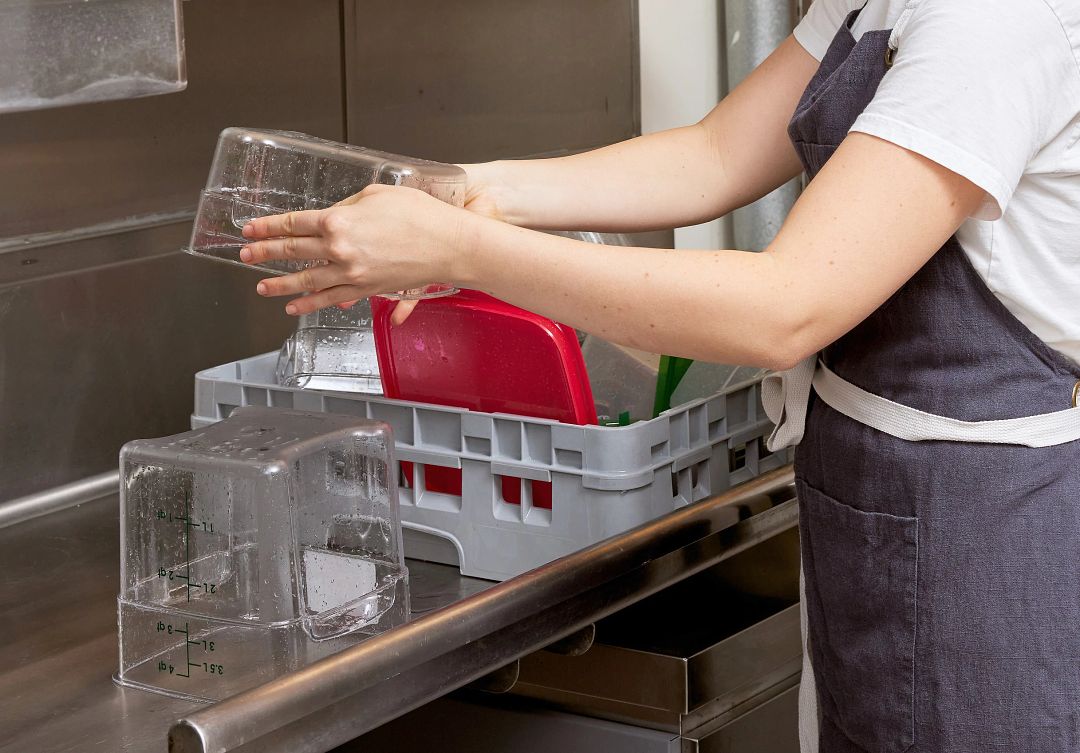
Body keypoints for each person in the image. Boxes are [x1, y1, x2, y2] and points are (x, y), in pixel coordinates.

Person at [239, 0, 1080, 750]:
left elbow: (786, 305)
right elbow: (713, 156)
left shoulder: (995, 20)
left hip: (985, 527)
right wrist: (460, 194)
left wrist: (462, 250)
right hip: (875, 485)